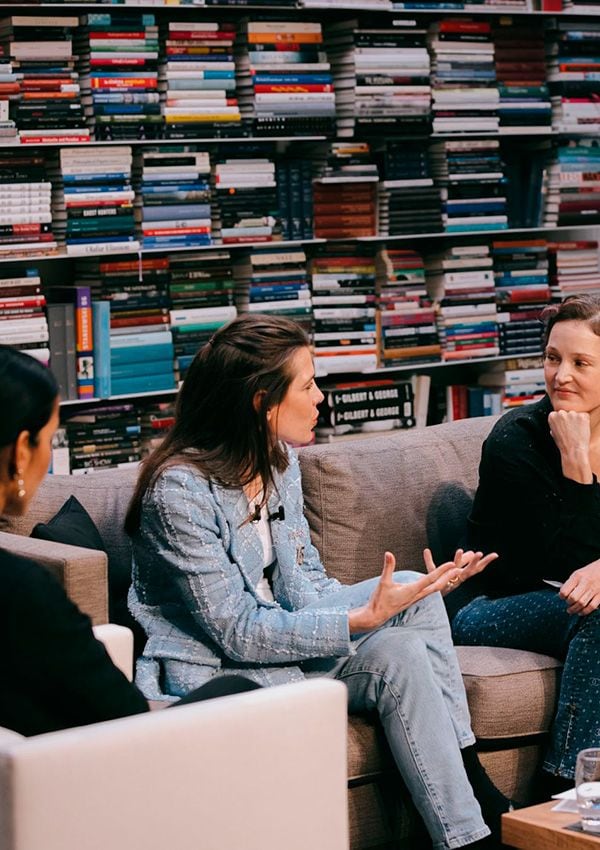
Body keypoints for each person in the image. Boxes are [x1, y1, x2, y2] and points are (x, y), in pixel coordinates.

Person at [126, 313, 508, 850]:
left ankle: (467, 829)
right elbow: (235, 630)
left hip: (286, 647)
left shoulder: (279, 461)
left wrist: (402, 598)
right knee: (392, 626)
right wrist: (359, 619)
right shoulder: (179, 492)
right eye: (307, 385)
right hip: (219, 674)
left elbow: (304, 585)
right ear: (261, 400)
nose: (321, 398)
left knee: (409, 613)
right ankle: (475, 803)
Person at [0, 345, 259, 739]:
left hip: (35, 764)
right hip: (86, 776)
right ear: (21, 452)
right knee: (239, 694)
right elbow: (124, 721)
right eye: (50, 441)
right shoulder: (22, 590)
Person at [449, 293, 600, 795]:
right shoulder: (516, 440)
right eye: (553, 358)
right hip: (491, 607)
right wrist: (577, 468)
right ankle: (565, 786)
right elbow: (567, 567)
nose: (561, 375)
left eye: (581, 362)